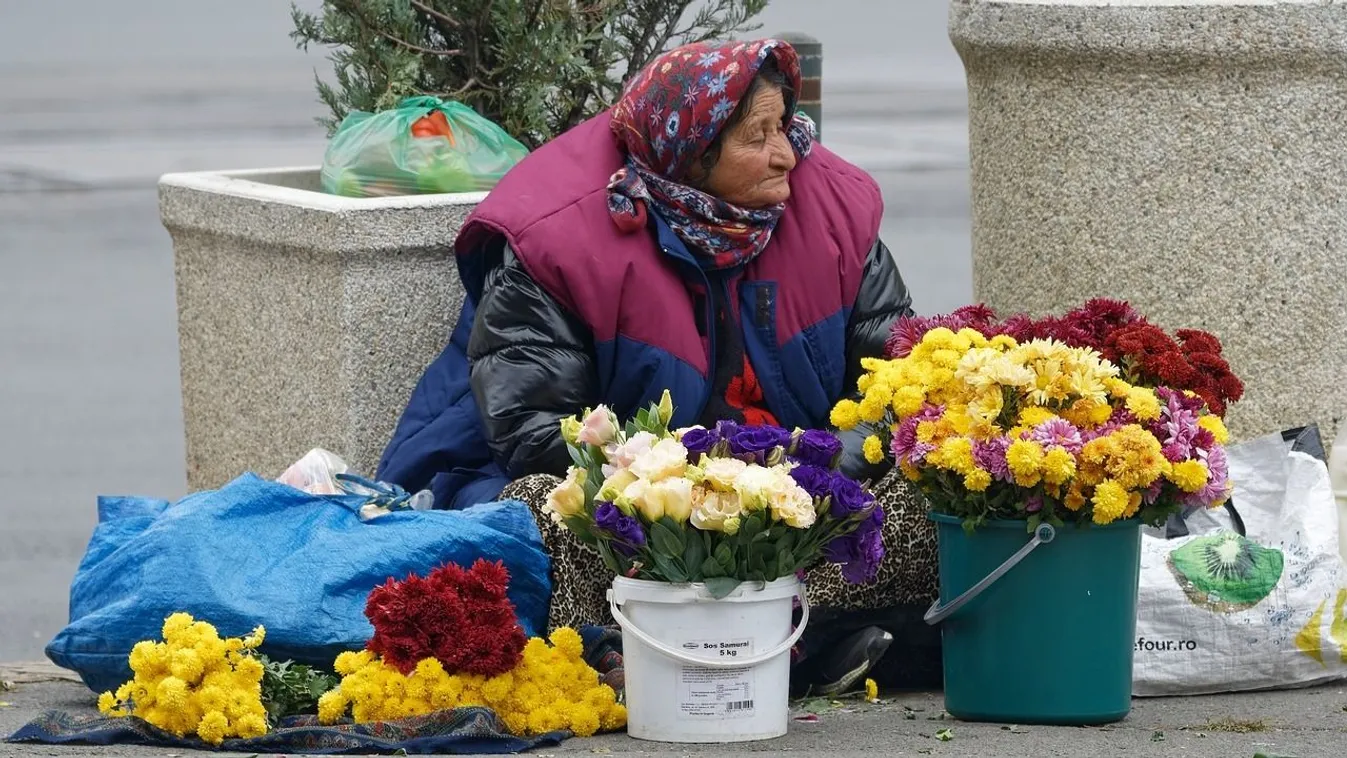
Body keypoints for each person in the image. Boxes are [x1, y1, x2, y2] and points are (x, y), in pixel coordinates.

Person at [378, 39, 941, 694]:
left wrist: (808, 480)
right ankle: (793, 645)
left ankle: (736, 649)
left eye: (784, 127)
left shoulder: (833, 216)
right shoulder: (559, 241)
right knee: (545, 520)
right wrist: (683, 498)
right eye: (756, 136)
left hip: (796, 491)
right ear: (693, 153)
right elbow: (534, 432)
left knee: (944, 486)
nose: (786, 153)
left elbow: (894, 382)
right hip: (638, 500)